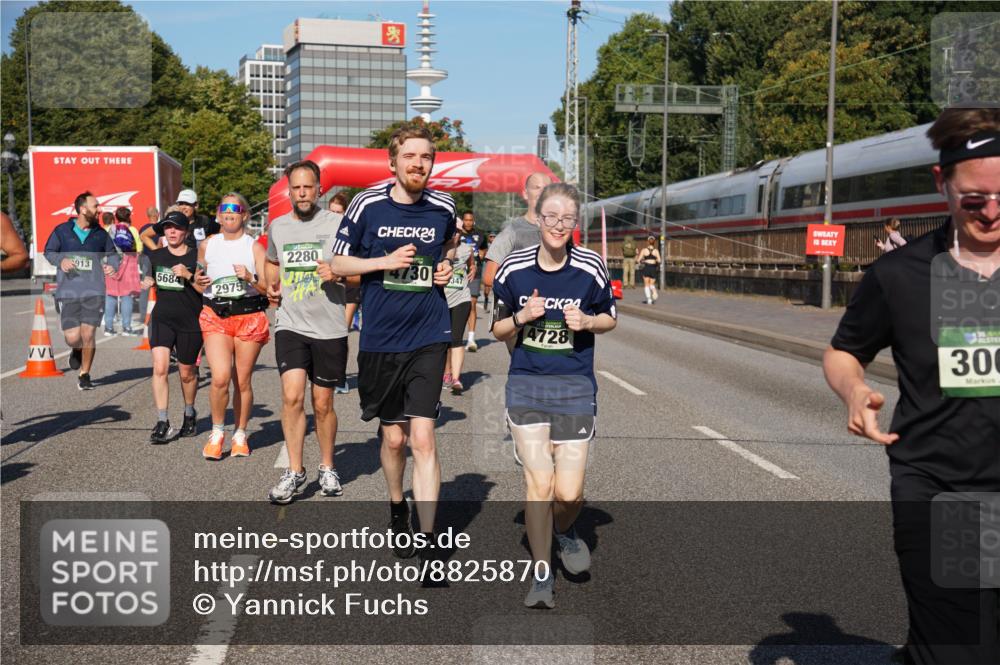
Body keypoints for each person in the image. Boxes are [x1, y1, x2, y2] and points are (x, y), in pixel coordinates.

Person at [823, 106, 999, 665]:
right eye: (975, 200)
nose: (992, 213)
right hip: (945, 491)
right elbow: (845, 350)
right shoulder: (901, 275)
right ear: (941, 183)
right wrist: (854, 391)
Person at [490, 182, 617, 609]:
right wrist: (522, 317)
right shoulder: (514, 269)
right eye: (552, 217)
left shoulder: (591, 267)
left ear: (574, 223)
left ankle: (563, 530)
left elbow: (610, 319)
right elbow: (497, 330)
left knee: (568, 494)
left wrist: (588, 322)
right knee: (539, 482)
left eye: (567, 219)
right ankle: (542, 577)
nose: (559, 225)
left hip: (576, 389)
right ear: (538, 218)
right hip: (527, 384)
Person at [331, 123, 455, 558]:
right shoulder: (367, 204)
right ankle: (397, 504)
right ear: (393, 161)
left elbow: (450, 250)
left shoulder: (444, 207)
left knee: (423, 438)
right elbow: (337, 262)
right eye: (410, 157)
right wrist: (384, 260)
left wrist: (447, 269)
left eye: (425, 158)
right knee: (395, 439)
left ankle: (429, 541)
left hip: (429, 331)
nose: (418, 164)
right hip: (381, 337)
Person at [264, 161, 348, 503]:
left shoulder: (339, 225)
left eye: (308, 187)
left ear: (319, 190)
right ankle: (295, 471)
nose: (302, 193)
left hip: (329, 326)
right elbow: (271, 261)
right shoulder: (278, 227)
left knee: (323, 403)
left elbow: (359, 271)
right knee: (292, 396)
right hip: (291, 324)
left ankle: (327, 466)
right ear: (289, 190)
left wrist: (339, 274)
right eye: (296, 187)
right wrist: (270, 280)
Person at [195, 193, 270, 460]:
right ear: (218, 214)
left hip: (248, 316)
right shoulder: (208, 245)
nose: (229, 213)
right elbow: (197, 278)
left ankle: (240, 433)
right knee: (220, 378)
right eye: (224, 208)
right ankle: (217, 432)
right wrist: (197, 281)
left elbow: (268, 288)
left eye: (234, 209)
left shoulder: (254, 247)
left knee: (242, 381)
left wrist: (250, 277)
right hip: (216, 315)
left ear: (244, 215)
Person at [43, 191, 119, 390]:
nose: (99, 209)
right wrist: (61, 260)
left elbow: (113, 255)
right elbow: (49, 251)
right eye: (95, 206)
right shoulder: (62, 231)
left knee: (88, 334)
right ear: (83, 209)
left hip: (94, 291)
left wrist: (112, 266)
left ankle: (85, 374)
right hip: (68, 292)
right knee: (73, 337)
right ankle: (76, 350)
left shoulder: (100, 234)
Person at [141, 211, 206, 443]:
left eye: (176, 228)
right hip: (162, 318)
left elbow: (204, 291)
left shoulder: (197, 256)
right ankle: (162, 421)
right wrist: (147, 281)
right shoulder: (157, 256)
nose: (171, 232)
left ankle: (189, 413)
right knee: (159, 368)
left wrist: (189, 275)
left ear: (186, 231)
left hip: (190, 320)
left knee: (187, 373)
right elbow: (151, 278)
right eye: (167, 228)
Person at [482, 172, 553, 293]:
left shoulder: (559, 232)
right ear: (525, 194)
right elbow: (489, 277)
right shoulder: (512, 230)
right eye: (537, 188)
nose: (542, 192)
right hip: (520, 307)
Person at [443, 216, 476, 394]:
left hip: (461, 299)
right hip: (440, 300)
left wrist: (473, 268)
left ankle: (456, 378)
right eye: (451, 231)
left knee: (456, 339)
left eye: (457, 231)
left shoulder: (466, 249)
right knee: (443, 341)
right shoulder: (438, 249)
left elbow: (472, 263)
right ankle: (446, 371)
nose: (454, 235)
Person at [103, 207, 142, 336]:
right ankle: (126, 328)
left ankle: (108, 328)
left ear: (117, 217)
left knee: (111, 295)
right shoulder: (132, 230)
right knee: (127, 296)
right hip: (128, 263)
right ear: (129, 216)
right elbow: (139, 249)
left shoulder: (111, 229)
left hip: (112, 263)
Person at [460, 210, 487, 352]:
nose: (468, 222)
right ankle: (454, 335)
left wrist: (481, 255)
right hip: (457, 273)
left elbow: (484, 249)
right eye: (466, 220)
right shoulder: (456, 233)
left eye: (471, 220)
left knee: (472, 304)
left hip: (474, 274)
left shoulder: (480, 234)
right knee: (455, 305)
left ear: (473, 221)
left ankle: (471, 339)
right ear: (462, 220)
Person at [137, 205, 161, 325]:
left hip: (145, 258)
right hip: (159, 258)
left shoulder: (143, 229)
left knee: (145, 287)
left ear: (148, 216)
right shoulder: (161, 228)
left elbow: (140, 247)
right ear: (158, 214)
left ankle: (143, 315)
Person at [638, 235, 660, 304]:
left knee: (646, 284)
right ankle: (654, 290)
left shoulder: (644, 250)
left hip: (646, 267)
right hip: (653, 268)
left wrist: (643, 261)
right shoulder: (656, 251)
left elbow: (638, 260)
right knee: (651, 284)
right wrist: (655, 260)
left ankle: (649, 299)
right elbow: (659, 260)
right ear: (654, 242)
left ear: (648, 242)